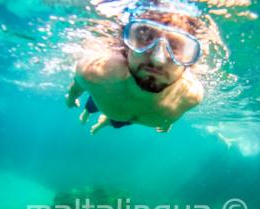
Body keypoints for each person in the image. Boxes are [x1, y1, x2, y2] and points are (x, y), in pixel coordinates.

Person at [66, 6, 208, 134]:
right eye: (145, 38)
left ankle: (104, 121)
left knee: (115, 121)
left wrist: (168, 120)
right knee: (92, 105)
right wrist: (72, 97)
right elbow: (78, 83)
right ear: (127, 45)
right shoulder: (95, 73)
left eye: (176, 46)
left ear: (190, 59)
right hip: (108, 99)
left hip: (116, 110)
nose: (157, 59)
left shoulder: (191, 96)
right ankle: (87, 112)